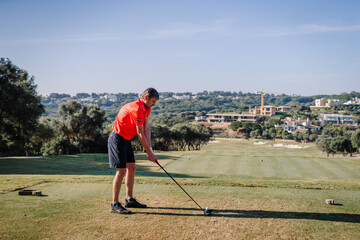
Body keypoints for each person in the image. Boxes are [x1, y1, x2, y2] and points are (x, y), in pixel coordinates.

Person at [108, 88, 159, 214]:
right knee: (121, 171)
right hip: (117, 139)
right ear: (146, 98)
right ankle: (114, 204)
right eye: (153, 101)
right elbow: (140, 134)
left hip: (126, 139)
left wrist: (151, 150)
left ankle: (129, 199)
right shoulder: (137, 108)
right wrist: (149, 154)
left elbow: (146, 128)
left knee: (132, 167)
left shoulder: (147, 109)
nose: (154, 104)